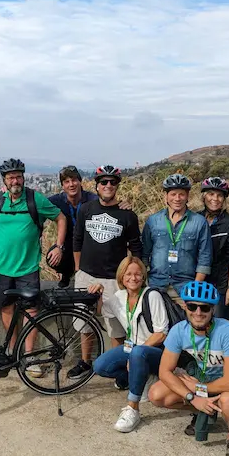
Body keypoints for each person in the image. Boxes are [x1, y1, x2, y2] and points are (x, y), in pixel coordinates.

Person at [149, 281, 229, 456]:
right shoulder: (179, 330)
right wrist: (193, 398)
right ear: (185, 307)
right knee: (157, 395)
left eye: (204, 308)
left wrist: (197, 388)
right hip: (203, 385)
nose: (198, 313)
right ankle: (202, 409)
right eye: (192, 306)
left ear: (212, 309)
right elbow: (164, 371)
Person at [0, 158, 67, 377]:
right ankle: (14, 350)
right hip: (1, 267)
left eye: (18, 176)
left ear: (24, 177)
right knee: (6, 308)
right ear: (4, 179)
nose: (15, 180)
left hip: (28, 267)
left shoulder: (35, 199)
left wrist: (59, 246)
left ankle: (29, 356)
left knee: (31, 311)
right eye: (11, 177)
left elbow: (61, 218)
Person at [67, 165, 142, 380]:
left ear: (117, 185)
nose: (108, 185)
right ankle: (85, 362)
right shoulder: (86, 209)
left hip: (113, 279)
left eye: (112, 182)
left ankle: (115, 368)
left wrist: (133, 276)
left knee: (116, 327)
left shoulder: (128, 215)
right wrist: (78, 269)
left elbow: (136, 247)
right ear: (97, 185)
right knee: (84, 323)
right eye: (103, 182)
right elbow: (77, 239)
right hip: (87, 275)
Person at [92, 257, 167, 432]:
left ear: (143, 277)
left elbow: (162, 333)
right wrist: (99, 293)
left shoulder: (152, 295)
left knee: (137, 353)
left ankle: (133, 408)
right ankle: (141, 376)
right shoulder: (120, 297)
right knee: (100, 366)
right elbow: (101, 311)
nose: (133, 278)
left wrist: (137, 353)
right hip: (132, 348)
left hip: (155, 351)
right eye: (129, 274)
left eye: (137, 274)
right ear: (121, 277)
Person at [141, 173, 212, 304]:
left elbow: (205, 258)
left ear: (187, 196)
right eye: (173, 194)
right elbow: (144, 254)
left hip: (186, 288)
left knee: (187, 324)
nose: (177, 198)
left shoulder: (199, 222)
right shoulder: (153, 221)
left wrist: (195, 288)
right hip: (156, 286)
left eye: (181, 194)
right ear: (166, 196)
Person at [48, 166, 97, 287]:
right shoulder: (57, 200)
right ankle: (66, 274)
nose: (71, 184)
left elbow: (108, 203)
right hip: (68, 243)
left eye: (74, 180)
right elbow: (37, 203)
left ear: (80, 182)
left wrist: (122, 204)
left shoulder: (92, 200)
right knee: (52, 257)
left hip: (88, 243)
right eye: (67, 182)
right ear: (62, 186)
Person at [200, 177, 229, 319]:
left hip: (220, 285)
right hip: (198, 282)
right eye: (211, 194)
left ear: (224, 199)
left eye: (219, 195)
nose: (215, 199)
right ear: (204, 197)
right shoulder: (196, 219)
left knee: (217, 325)